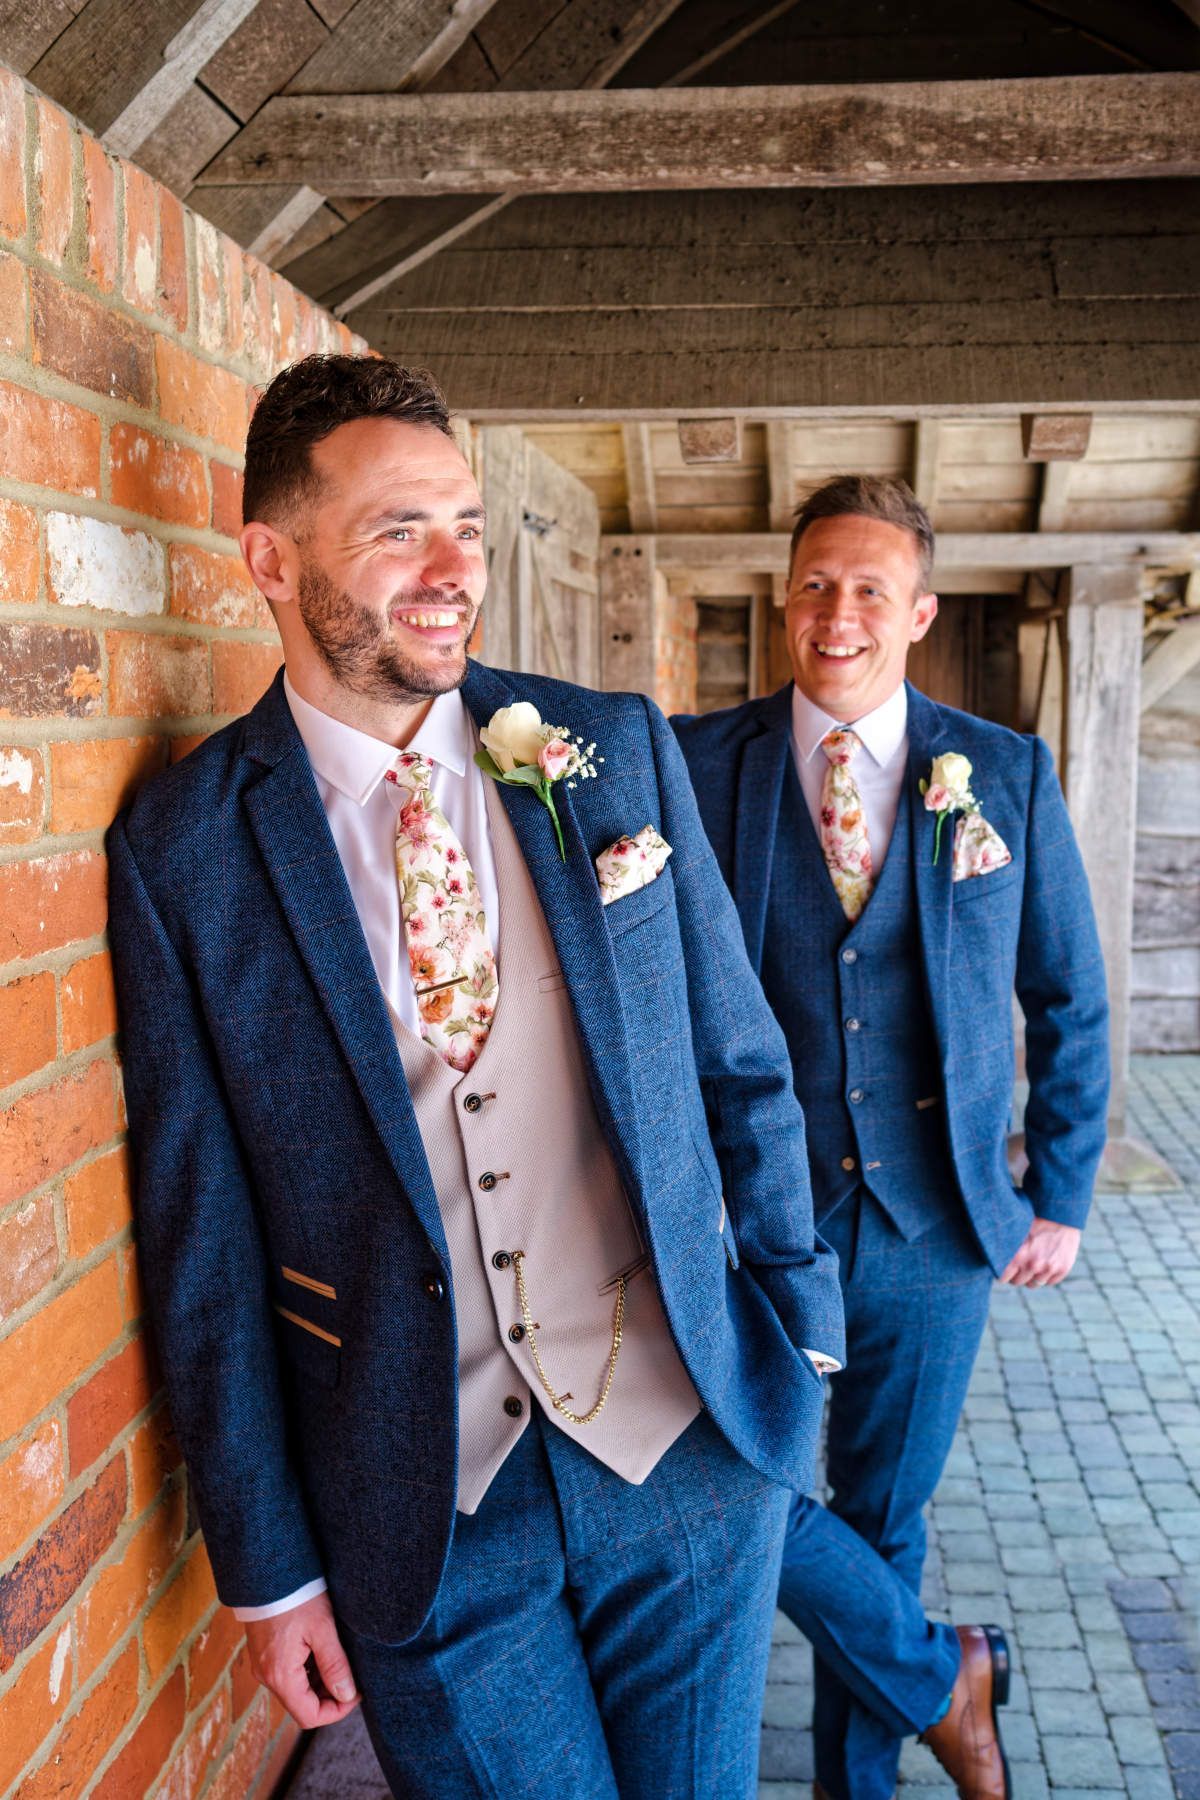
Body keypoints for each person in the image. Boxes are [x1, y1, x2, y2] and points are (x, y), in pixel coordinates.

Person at [107, 355, 845, 1800]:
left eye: (467, 525)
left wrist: (800, 1332)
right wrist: (267, 1571)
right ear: (270, 558)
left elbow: (740, 1061)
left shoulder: (611, 748)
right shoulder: (186, 849)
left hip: (688, 1457)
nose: (455, 570)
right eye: (399, 531)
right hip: (425, 1516)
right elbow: (201, 1236)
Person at [672, 475, 1110, 1800]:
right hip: (751, 1222)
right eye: (815, 583)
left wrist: (1066, 1190)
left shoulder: (1005, 775)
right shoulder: (700, 766)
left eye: (869, 588)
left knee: (881, 1519)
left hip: (939, 1225)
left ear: (917, 611)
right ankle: (941, 1675)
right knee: (733, 1492)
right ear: (783, 598)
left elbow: (1070, 996)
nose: (837, 611)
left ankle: (859, 1786)